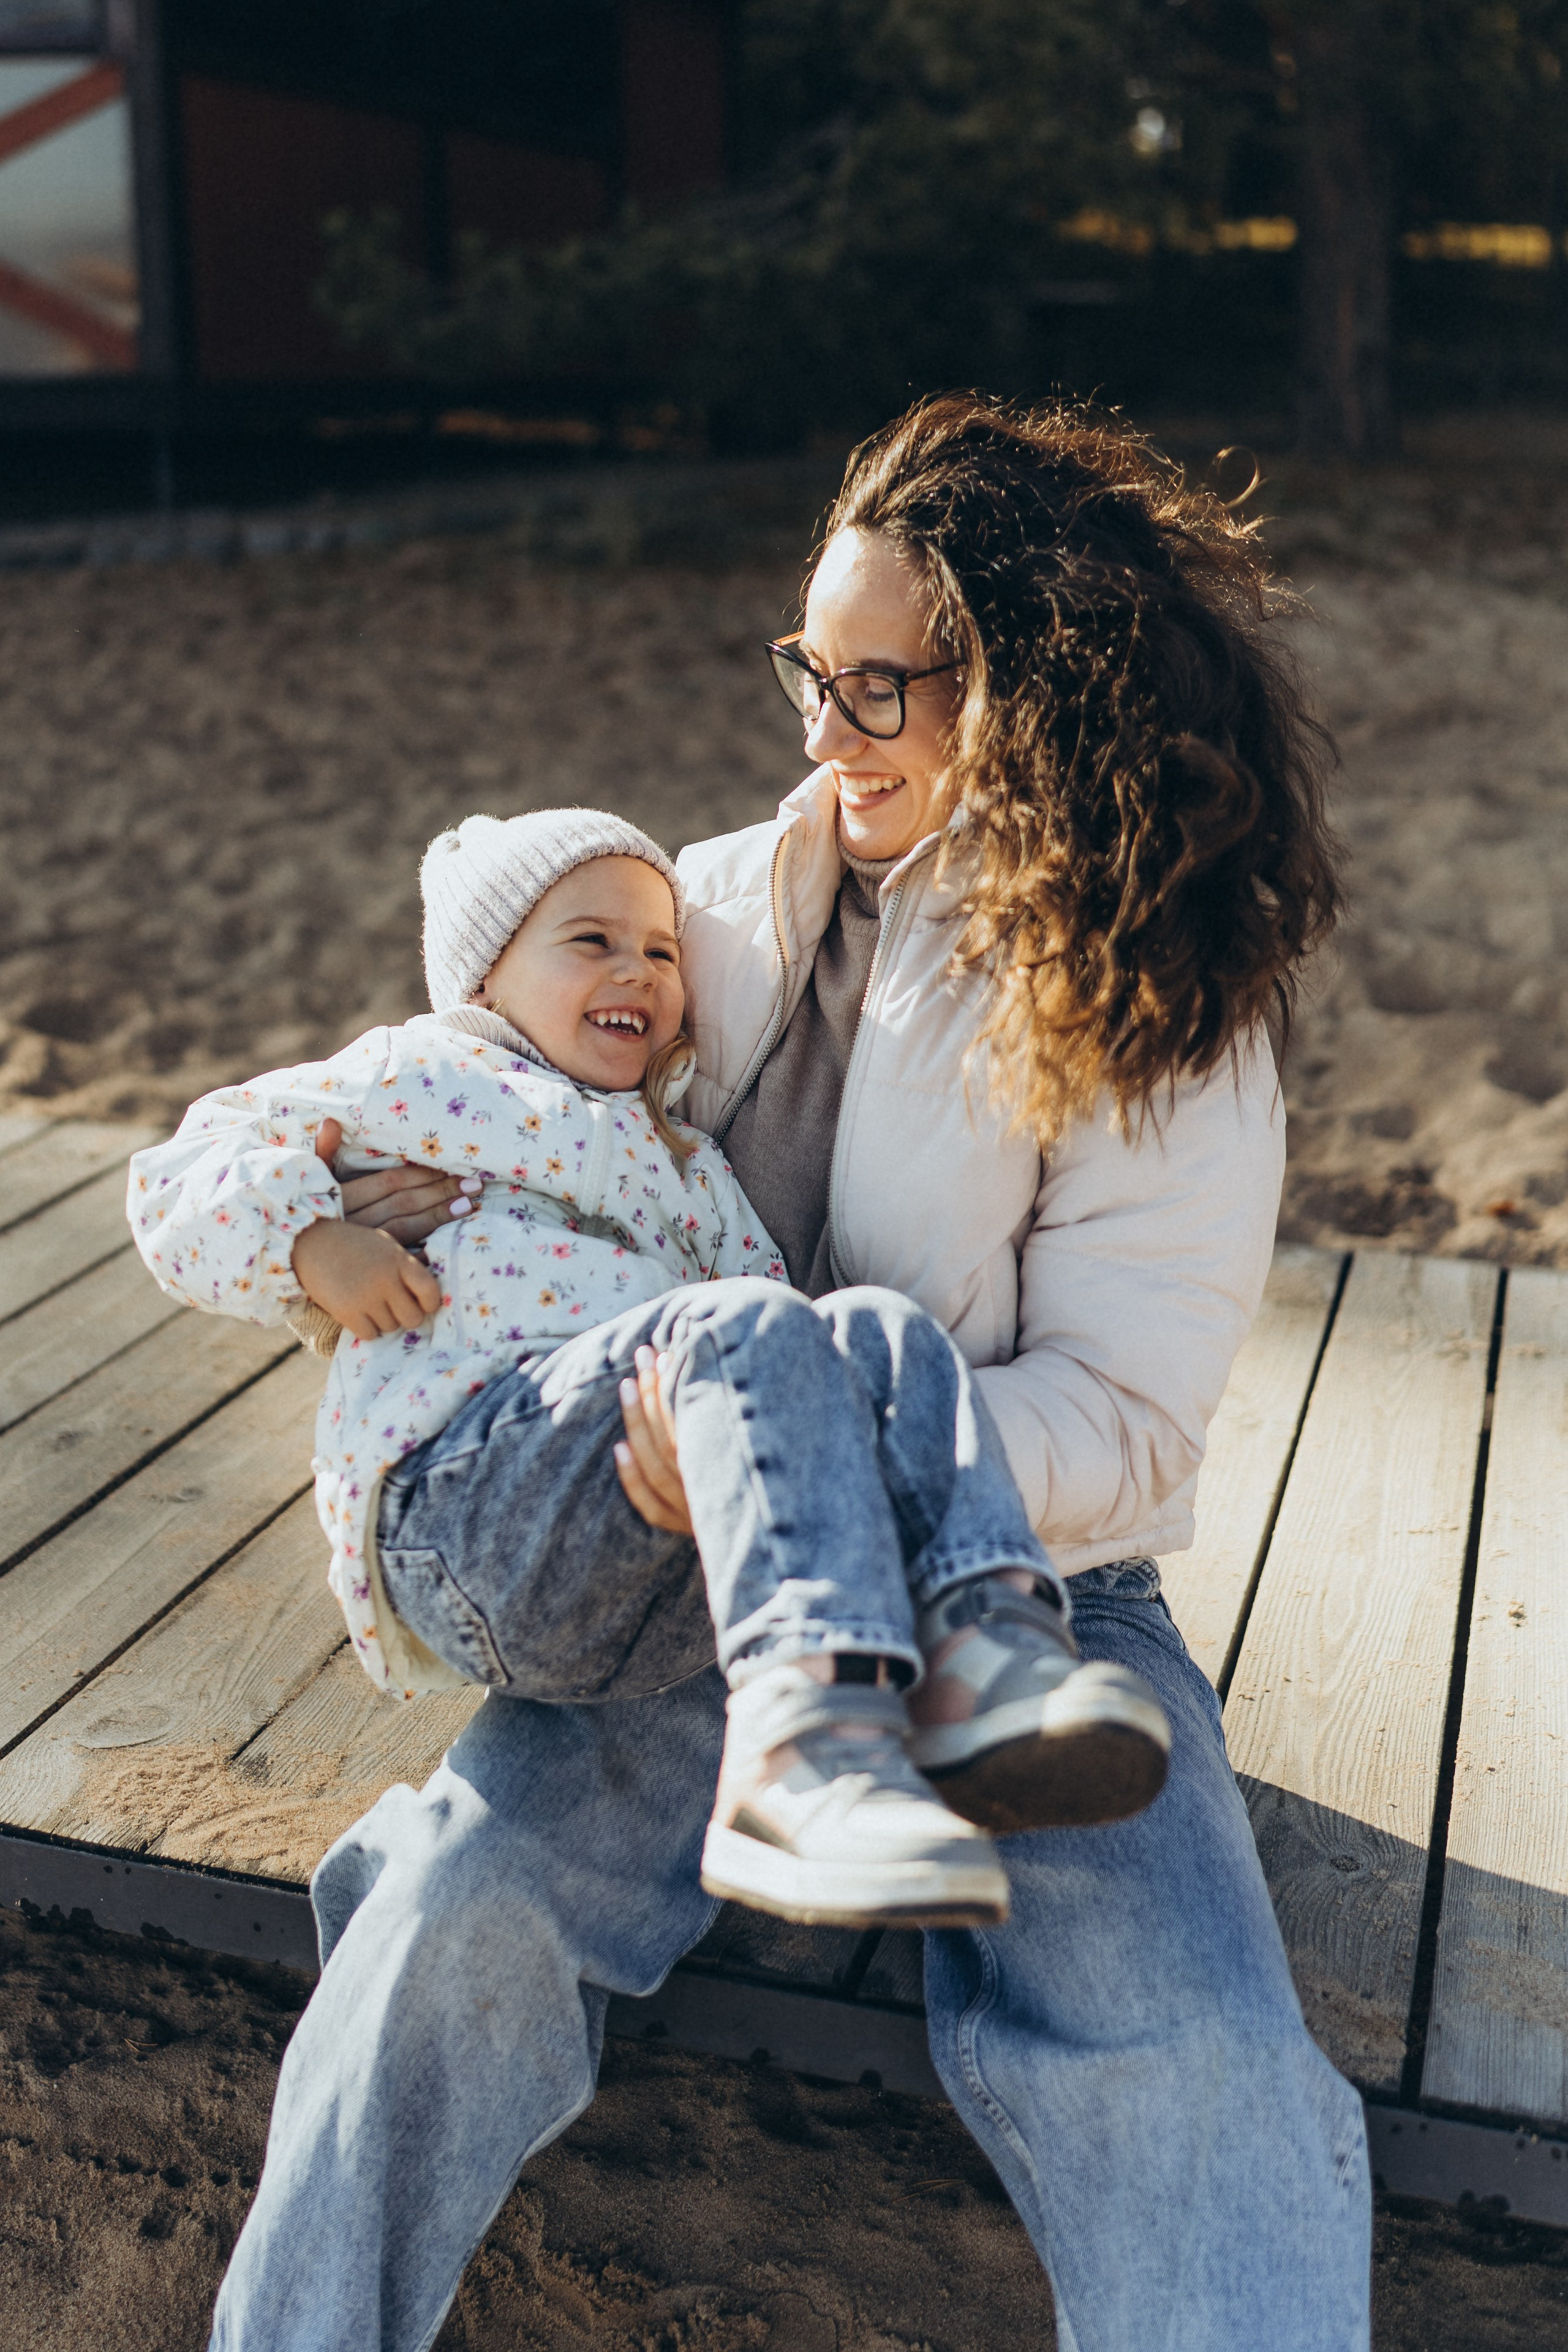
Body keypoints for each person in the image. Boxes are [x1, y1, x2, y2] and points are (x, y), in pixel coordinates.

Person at [208, 394, 1372, 2352]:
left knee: (1197, 2064)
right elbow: (507, 1080)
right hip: (699, 1566)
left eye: (877, 688)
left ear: (1022, 689)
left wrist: (828, 1437)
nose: (823, 734)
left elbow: (1127, 1418)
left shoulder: (1156, 985)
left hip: (1023, 1588)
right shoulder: (720, 903)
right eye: (808, 675)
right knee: (452, 1921)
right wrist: (391, 1202)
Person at [127, 809, 1169, 1935]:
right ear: (486, 978)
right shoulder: (420, 1073)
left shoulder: (686, 1161)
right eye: (592, 942)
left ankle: (979, 1658)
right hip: (471, 1499)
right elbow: (181, 1169)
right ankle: (799, 1764)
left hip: (656, 1568)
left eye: (664, 951)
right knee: (743, 1328)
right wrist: (310, 1243)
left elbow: (784, 1345)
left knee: (876, 1332)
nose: (640, 971)